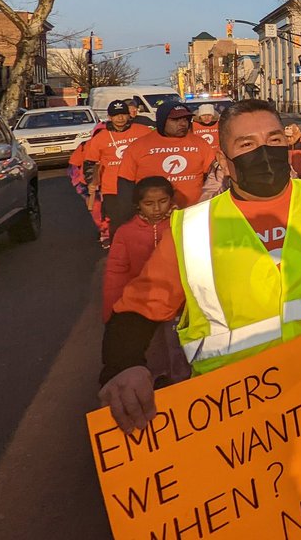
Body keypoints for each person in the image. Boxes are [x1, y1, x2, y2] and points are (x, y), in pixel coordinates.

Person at [98, 100, 301, 433]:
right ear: (223, 161)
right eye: (247, 144)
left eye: (274, 140)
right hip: (242, 422)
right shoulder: (192, 230)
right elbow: (138, 309)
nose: (264, 151)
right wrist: (122, 365)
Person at [101, 177, 189, 386]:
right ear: (137, 205)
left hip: (178, 305)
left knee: (178, 349)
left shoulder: (183, 224)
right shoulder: (125, 232)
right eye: (149, 204)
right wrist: (111, 313)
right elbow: (116, 274)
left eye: (163, 201)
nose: (157, 208)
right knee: (152, 350)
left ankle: (182, 388)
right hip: (142, 305)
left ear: (171, 200)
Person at [111, 101, 216, 233]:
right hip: (153, 220)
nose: (182, 123)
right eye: (175, 120)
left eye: (185, 119)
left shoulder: (200, 144)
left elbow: (213, 179)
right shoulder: (139, 146)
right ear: (162, 121)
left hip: (192, 216)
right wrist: (128, 217)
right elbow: (126, 184)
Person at [83, 100, 152, 244]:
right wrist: (92, 182)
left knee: (145, 220)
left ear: (129, 115)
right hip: (112, 188)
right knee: (118, 222)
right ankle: (119, 250)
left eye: (123, 114)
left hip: (141, 184)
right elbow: (90, 163)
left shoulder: (143, 131)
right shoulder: (100, 137)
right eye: (116, 115)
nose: (120, 118)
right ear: (109, 117)